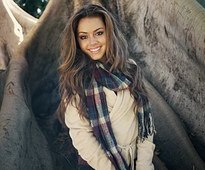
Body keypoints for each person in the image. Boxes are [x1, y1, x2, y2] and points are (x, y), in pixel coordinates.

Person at [57, 3, 155, 170]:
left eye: (99, 33)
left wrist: (143, 166)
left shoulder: (130, 70)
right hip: (98, 165)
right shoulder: (77, 81)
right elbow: (82, 137)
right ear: (76, 41)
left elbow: (146, 124)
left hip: (135, 161)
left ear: (109, 34)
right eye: (83, 37)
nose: (92, 42)